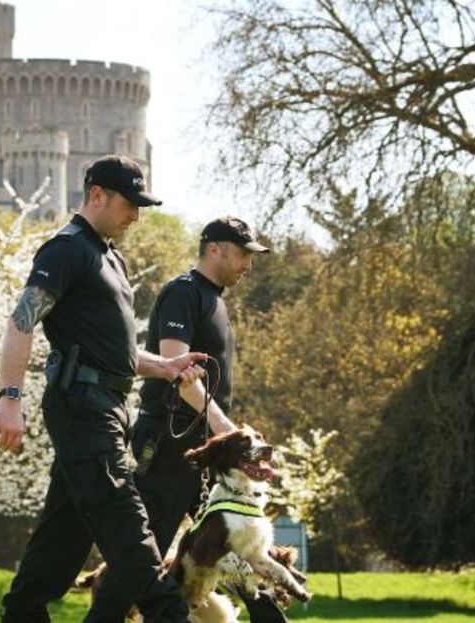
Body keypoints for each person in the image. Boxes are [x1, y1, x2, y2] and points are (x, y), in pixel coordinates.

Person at [0, 154, 206, 623]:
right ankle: (170, 616)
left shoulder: (110, 257)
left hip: (107, 406)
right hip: (82, 408)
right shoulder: (65, 250)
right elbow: (21, 323)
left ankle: (21, 615)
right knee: (125, 522)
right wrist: (10, 398)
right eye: (130, 205)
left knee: (61, 540)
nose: (136, 215)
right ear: (96, 196)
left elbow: (116, 354)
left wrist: (165, 367)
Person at [90, 216, 287, 622]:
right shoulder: (183, 294)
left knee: (238, 544)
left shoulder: (216, 301)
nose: (249, 264)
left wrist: (221, 440)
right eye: (243, 253)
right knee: (144, 553)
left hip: (208, 452)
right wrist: (224, 429)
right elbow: (178, 372)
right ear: (215, 248)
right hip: (169, 446)